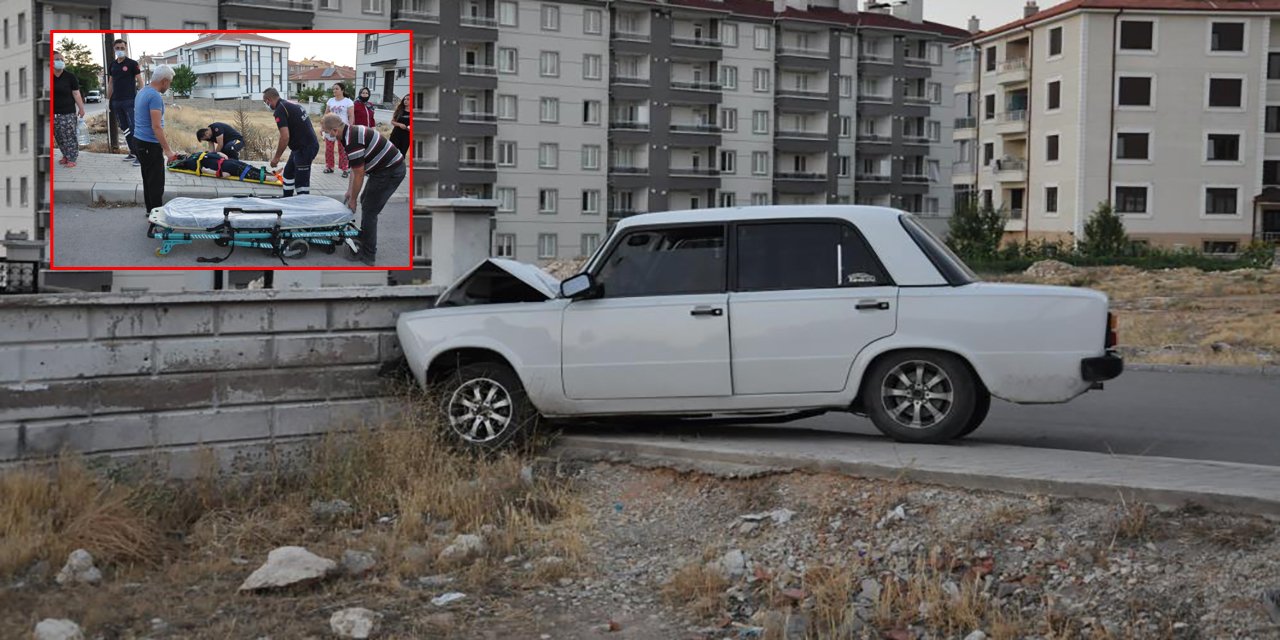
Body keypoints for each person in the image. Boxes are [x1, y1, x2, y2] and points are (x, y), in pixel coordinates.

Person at [319, 112, 405, 266]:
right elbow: (355, 167)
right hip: (382, 169)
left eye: (326, 132)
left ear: (334, 131)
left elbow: (359, 174)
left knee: (370, 210)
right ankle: (365, 239)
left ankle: (369, 254)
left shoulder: (352, 140)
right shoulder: (349, 133)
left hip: (390, 171)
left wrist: (353, 200)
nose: (326, 135)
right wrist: (350, 191)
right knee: (366, 202)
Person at [133, 65, 178, 217]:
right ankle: (157, 216)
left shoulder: (142, 91)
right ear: (164, 81)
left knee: (148, 179)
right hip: (149, 145)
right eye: (169, 82)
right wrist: (168, 151)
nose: (169, 85)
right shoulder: (155, 96)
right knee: (156, 183)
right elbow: (156, 126)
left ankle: (150, 211)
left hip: (138, 141)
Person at [263, 87, 319, 197]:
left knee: (301, 182)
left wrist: (276, 157)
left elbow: (285, 137)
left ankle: (302, 205)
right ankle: (287, 199)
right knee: (288, 174)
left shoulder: (280, 110)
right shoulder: (288, 104)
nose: (266, 105)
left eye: (265, 102)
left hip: (305, 148)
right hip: (299, 148)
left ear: (269, 100)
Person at [105, 38, 142, 167]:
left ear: (125, 49)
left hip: (130, 101)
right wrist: (107, 100)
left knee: (134, 127)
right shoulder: (112, 65)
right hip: (116, 102)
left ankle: (140, 155)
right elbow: (110, 83)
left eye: (122, 48)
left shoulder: (132, 64)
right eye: (117, 48)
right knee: (125, 128)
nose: (120, 50)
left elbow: (140, 81)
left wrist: (143, 97)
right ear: (114, 49)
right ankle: (132, 151)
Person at [51, 51, 86, 168]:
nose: (60, 61)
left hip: (68, 112)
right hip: (53, 113)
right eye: (57, 59)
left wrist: (81, 108)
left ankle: (72, 157)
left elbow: (76, 93)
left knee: (69, 136)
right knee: (59, 136)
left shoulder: (70, 77)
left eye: (62, 59)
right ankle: (65, 155)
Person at [323, 83, 354, 177]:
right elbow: (326, 114)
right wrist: (323, 127)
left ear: (342, 90)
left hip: (342, 128)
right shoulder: (330, 101)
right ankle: (330, 167)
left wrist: (351, 127)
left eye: (336, 89)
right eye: (333, 89)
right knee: (329, 149)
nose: (334, 91)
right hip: (330, 128)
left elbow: (351, 116)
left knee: (343, 150)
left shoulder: (348, 102)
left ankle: (345, 169)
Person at [388, 94, 411, 158]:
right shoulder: (399, 110)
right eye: (405, 99)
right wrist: (399, 124)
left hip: (407, 136)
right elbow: (392, 121)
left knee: (402, 154)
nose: (405, 101)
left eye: (408, 99)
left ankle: (399, 167)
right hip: (396, 134)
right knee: (391, 152)